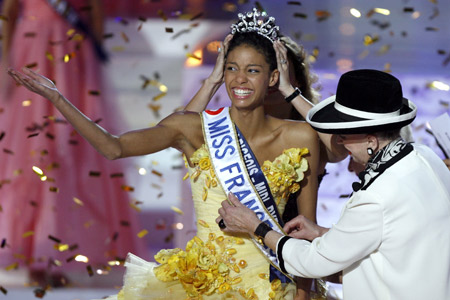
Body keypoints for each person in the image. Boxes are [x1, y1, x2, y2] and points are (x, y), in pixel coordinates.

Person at [8, 8, 322, 300]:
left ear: (271, 78)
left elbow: (307, 228)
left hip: (275, 286)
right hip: (204, 285)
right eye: (231, 69)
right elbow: (113, 147)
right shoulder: (194, 129)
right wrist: (58, 98)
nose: (239, 79)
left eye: (252, 70)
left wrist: (303, 294)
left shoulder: (300, 135)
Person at [217, 69, 450, 300]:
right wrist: (322, 233)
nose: (338, 141)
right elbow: (395, 235)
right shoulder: (424, 158)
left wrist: (256, 227)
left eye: (344, 134)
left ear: (370, 141)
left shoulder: (377, 195)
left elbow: (314, 262)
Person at [184, 28, 346, 300]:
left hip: (288, 266)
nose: (249, 79)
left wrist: (290, 92)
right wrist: (212, 81)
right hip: (231, 266)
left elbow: (337, 147)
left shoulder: (307, 133)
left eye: (261, 71)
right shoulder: (231, 128)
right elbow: (179, 128)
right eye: (237, 69)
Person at [0, 0, 145, 286]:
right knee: (34, 149)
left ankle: (57, 256)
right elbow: (9, 12)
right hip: (32, 51)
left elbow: (95, 10)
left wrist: (92, 61)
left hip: (71, 56)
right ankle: (35, 253)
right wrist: (6, 60)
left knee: (74, 147)